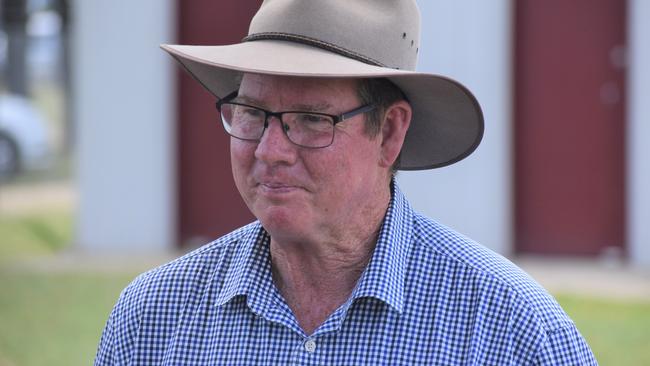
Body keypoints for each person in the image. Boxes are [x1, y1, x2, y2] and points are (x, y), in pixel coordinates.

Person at [95, 1, 597, 364]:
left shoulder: (511, 331)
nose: (270, 150)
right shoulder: (153, 318)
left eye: (312, 119)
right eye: (251, 113)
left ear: (390, 133)